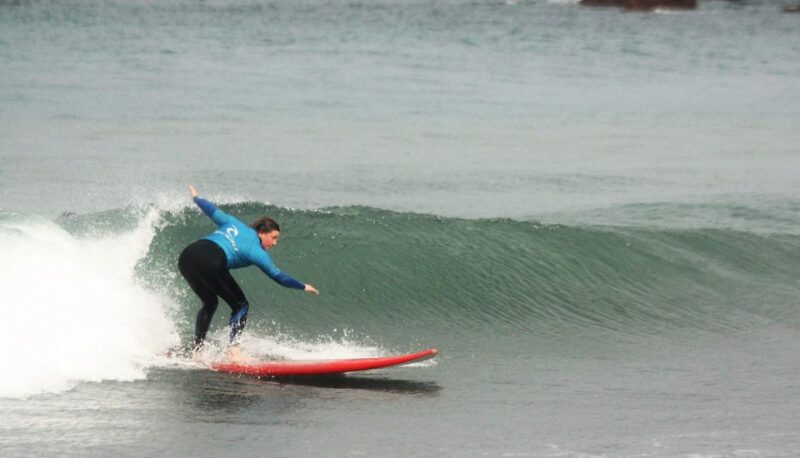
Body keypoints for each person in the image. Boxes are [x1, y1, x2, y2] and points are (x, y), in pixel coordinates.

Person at [178, 185, 318, 359]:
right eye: (273, 238)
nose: (274, 243)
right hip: (211, 261)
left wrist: (196, 197)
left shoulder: (233, 223)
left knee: (210, 303)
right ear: (262, 232)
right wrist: (303, 286)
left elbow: (210, 210)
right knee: (240, 305)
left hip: (187, 256)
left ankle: (197, 350)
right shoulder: (257, 251)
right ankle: (233, 349)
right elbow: (278, 277)